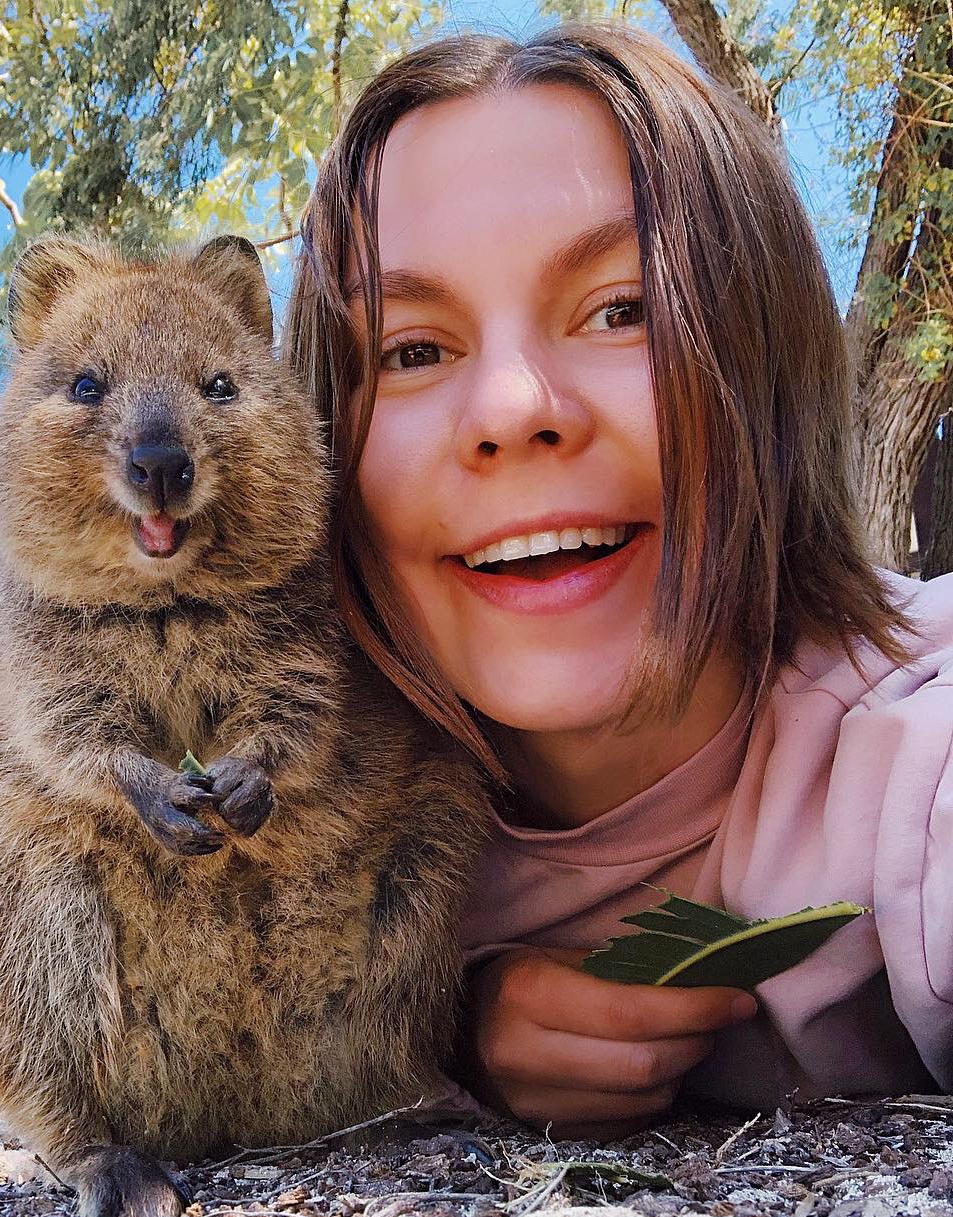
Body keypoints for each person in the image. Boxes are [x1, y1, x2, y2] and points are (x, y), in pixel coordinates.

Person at [284, 23, 953, 1140]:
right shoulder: (293, 826)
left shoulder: (907, 754)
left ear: (769, 359)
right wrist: (439, 1024)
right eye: (411, 350)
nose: (510, 408)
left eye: (621, 309)